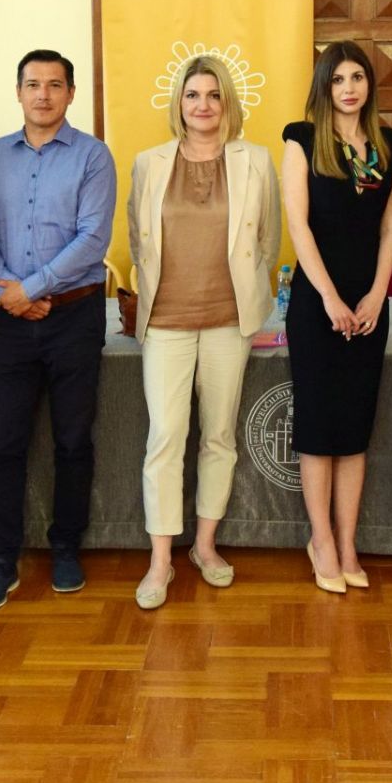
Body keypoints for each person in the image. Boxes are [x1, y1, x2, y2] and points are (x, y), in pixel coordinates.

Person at [127, 54, 280, 610]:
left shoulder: (255, 161)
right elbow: (138, 240)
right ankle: (160, 559)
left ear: (227, 102)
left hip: (227, 321)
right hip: (166, 321)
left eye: (214, 95)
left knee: (218, 436)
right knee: (166, 437)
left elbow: (268, 242)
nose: (203, 105)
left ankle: (205, 545)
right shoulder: (148, 163)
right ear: (179, 103)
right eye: (193, 94)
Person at [0, 49, 116, 611]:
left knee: (72, 439)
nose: (43, 95)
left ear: (71, 93)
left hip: (75, 316)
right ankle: (1, 558)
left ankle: (65, 547)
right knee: (4, 442)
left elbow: (92, 239)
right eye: (33, 84)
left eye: (55, 85)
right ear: (18, 91)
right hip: (10, 319)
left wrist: (29, 289)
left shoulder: (93, 156)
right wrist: (7, 290)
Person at [282, 42, 392, 592]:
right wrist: (329, 297)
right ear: (323, 87)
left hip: (369, 305)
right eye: (338, 79)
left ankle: (348, 542)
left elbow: (390, 227)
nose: (349, 88)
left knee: (354, 430)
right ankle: (322, 541)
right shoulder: (302, 139)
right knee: (319, 428)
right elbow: (299, 225)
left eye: (357, 77)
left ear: (369, 85)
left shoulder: (387, 144)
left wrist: (377, 294)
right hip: (318, 304)